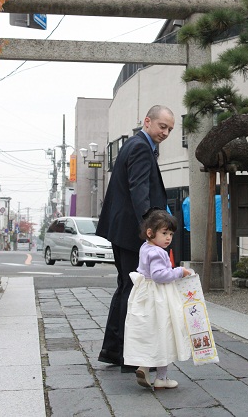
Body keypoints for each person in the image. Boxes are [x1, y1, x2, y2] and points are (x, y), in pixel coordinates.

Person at [97, 105, 175, 372]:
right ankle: (132, 357)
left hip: (121, 229)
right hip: (133, 232)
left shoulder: (134, 144)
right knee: (135, 290)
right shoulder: (141, 147)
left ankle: (114, 351)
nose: (165, 132)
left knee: (126, 287)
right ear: (147, 121)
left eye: (170, 129)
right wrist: (151, 229)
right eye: (162, 126)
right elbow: (139, 188)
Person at [123, 209, 192, 389]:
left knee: (149, 331)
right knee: (164, 332)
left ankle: (144, 365)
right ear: (150, 232)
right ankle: (161, 377)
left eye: (170, 234)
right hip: (158, 297)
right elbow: (159, 275)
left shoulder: (146, 247)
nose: (168, 238)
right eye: (164, 233)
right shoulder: (158, 252)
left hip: (144, 295)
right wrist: (180, 272)